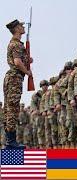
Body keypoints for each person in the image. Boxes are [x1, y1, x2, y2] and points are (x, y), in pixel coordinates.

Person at [3, 19, 33, 149]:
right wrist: (27, 72)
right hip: (14, 79)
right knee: (12, 110)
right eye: (20, 25)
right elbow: (17, 62)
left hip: (13, 78)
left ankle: (10, 141)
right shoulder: (16, 44)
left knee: (11, 109)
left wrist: (27, 59)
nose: (22, 26)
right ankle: (10, 142)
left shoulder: (16, 44)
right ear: (16, 29)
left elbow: (20, 59)